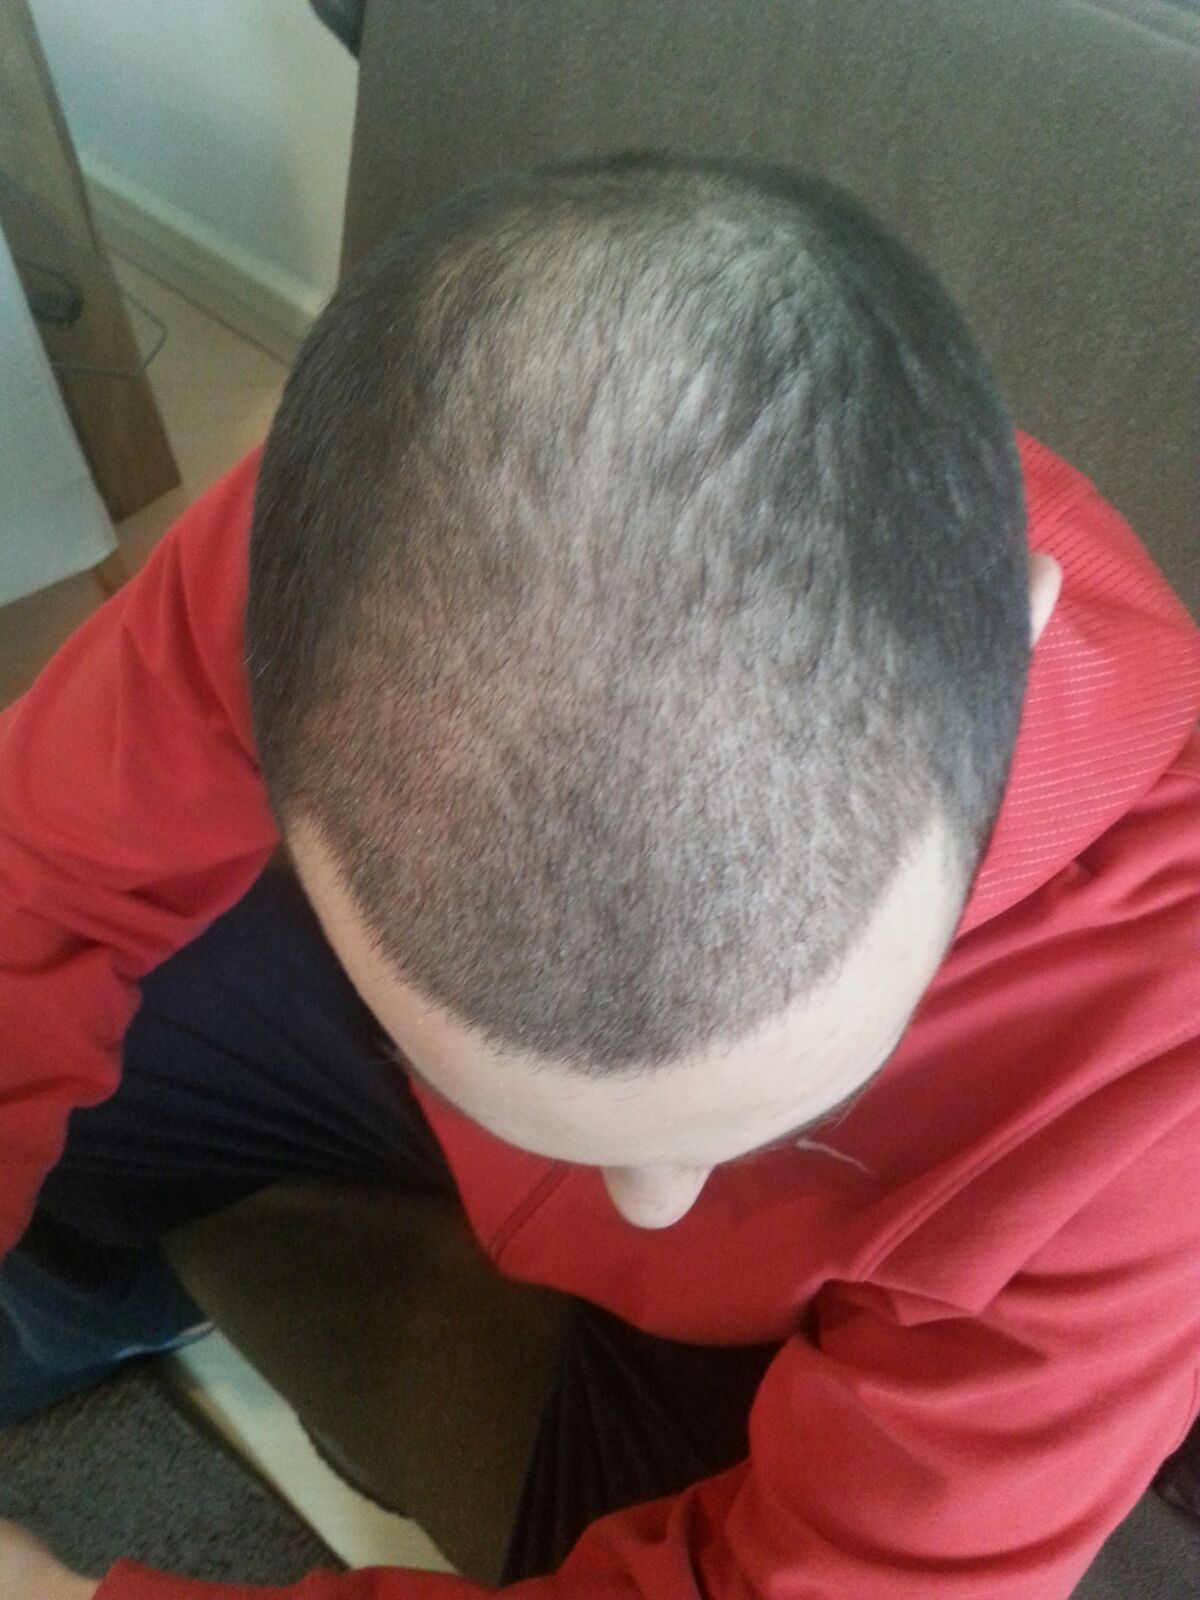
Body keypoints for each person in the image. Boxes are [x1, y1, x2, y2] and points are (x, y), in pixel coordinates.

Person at [1, 153, 1197, 1600]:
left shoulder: (1163, 1095)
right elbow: (34, 880)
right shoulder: (384, 514)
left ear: (1016, 644)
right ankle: (97, 1294)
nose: (651, 1212)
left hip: (796, 1360)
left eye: (801, 1114)